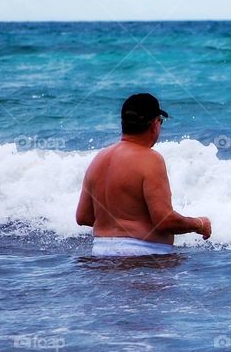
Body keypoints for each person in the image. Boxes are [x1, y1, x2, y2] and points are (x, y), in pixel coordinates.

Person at [76, 93, 212, 256]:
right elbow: (164, 221)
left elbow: (83, 216)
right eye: (160, 121)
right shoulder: (151, 159)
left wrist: (118, 224)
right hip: (142, 254)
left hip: (100, 253)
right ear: (155, 124)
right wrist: (199, 224)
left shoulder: (99, 159)